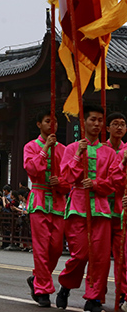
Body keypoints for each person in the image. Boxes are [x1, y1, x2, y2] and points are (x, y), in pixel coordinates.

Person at [56, 106, 123, 312]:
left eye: (100, 120)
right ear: (83, 122)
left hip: (102, 209)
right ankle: (66, 285)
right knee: (81, 254)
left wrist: (95, 184)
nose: (97, 124)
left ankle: (93, 298)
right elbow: (66, 178)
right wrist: (78, 155)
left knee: (100, 258)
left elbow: (114, 182)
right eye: (93, 119)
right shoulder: (72, 148)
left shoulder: (109, 153)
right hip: (78, 207)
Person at [23, 111, 68, 308]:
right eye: (48, 121)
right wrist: (45, 149)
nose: (52, 125)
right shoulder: (31, 146)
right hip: (39, 199)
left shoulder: (64, 150)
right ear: (39, 124)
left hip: (58, 201)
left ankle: (37, 278)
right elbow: (33, 169)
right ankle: (42, 289)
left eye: (55, 122)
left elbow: (70, 179)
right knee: (41, 247)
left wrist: (61, 182)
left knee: (56, 248)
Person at [105, 112, 127, 309]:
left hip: (121, 211)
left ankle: (123, 294)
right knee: (99, 257)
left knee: (123, 257)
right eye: (115, 124)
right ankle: (96, 295)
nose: (119, 127)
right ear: (108, 128)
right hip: (101, 211)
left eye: (122, 124)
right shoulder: (100, 150)